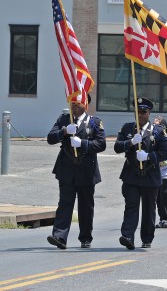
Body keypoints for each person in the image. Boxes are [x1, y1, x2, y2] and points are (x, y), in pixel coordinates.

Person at [46, 95, 106, 250]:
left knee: (85, 206)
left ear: (86, 104)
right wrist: (63, 132)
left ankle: (85, 237)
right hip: (66, 168)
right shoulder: (64, 119)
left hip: (86, 170)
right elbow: (50, 138)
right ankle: (60, 236)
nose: (74, 106)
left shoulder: (94, 122)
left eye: (78, 103)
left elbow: (101, 144)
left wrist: (83, 143)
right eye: (72, 103)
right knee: (65, 203)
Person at [114, 97, 167, 250]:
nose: (139, 115)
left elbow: (165, 153)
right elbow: (117, 147)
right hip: (131, 174)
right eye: (137, 112)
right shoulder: (127, 128)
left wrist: (149, 157)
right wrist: (130, 142)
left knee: (148, 209)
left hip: (150, 175)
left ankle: (147, 238)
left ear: (149, 113)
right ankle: (127, 236)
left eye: (143, 112)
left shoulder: (158, 131)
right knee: (131, 206)